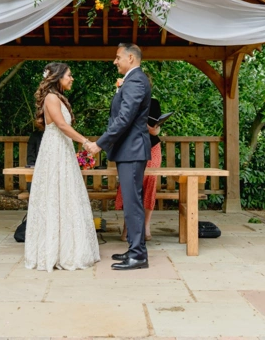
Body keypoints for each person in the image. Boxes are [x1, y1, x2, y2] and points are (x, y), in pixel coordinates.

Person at [24, 62, 100, 272]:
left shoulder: (57, 98)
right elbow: (62, 125)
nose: (71, 78)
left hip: (62, 149)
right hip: (55, 150)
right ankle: (54, 251)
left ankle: (68, 247)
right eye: (69, 75)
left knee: (67, 196)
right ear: (57, 77)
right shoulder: (50, 98)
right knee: (55, 196)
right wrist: (85, 142)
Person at [88, 43, 151, 271]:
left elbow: (124, 119)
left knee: (133, 203)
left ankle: (138, 255)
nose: (115, 61)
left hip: (132, 150)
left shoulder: (135, 81)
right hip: (129, 150)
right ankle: (135, 250)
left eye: (117, 58)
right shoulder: (133, 80)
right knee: (131, 202)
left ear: (131, 58)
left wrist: (100, 144)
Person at [115, 97, 162, 241]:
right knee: (129, 184)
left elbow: (156, 129)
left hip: (152, 147)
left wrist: (152, 129)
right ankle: (127, 226)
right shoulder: (124, 101)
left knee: (150, 181)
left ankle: (146, 226)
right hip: (130, 148)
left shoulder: (153, 102)